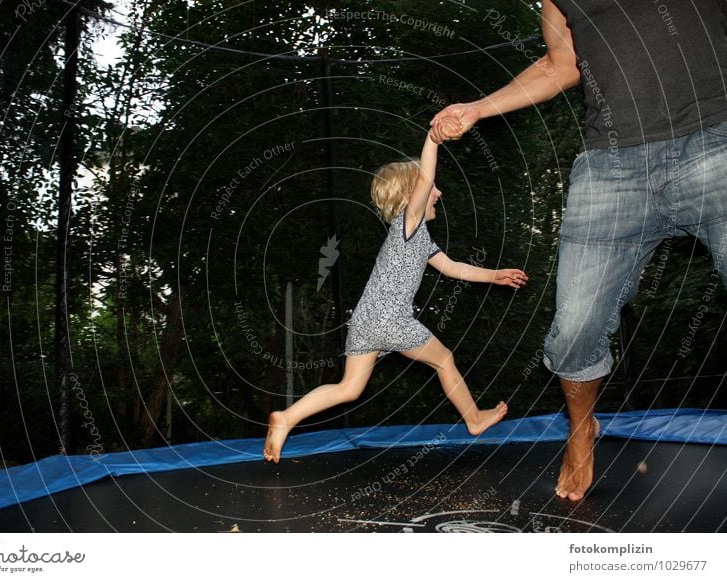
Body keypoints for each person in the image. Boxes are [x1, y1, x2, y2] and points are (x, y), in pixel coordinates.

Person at [430, 0, 727, 501]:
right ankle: (582, 429)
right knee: (573, 332)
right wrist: (477, 108)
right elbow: (560, 64)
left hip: (716, 141)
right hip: (612, 168)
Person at [263, 131, 529, 463]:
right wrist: (433, 138)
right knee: (444, 360)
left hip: (365, 320)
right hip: (390, 319)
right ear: (413, 193)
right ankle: (473, 419)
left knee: (349, 389)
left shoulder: (418, 237)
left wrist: (494, 275)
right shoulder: (409, 222)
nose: (439, 193)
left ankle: (287, 417)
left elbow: (451, 267)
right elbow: (427, 177)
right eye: (433, 189)